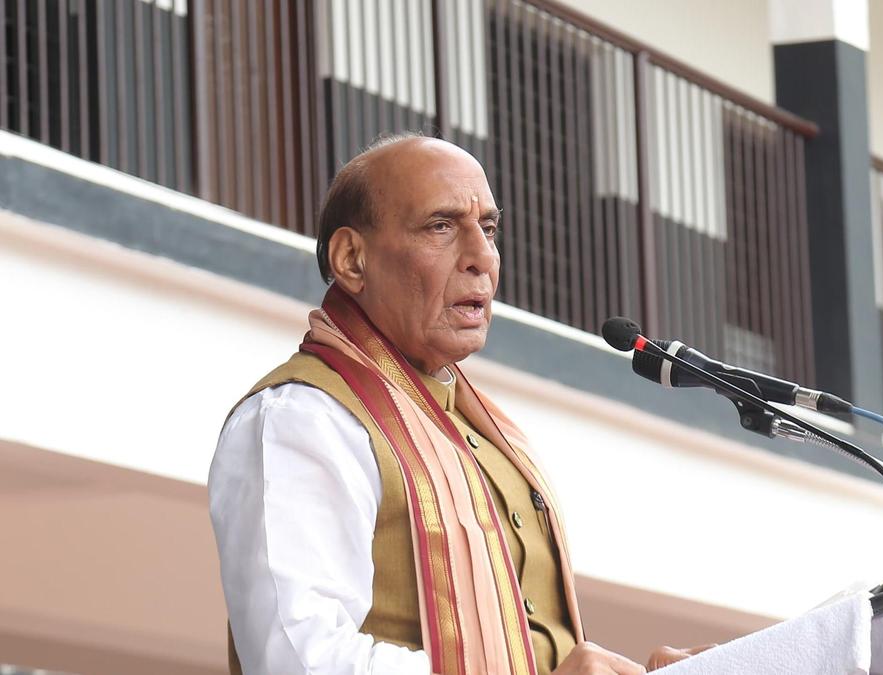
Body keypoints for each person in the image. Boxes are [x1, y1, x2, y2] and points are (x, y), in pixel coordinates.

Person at [209, 135, 709, 674]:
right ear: (351, 259)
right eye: (441, 226)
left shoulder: (487, 427)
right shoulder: (302, 417)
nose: (482, 258)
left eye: (488, 229)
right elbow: (296, 659)